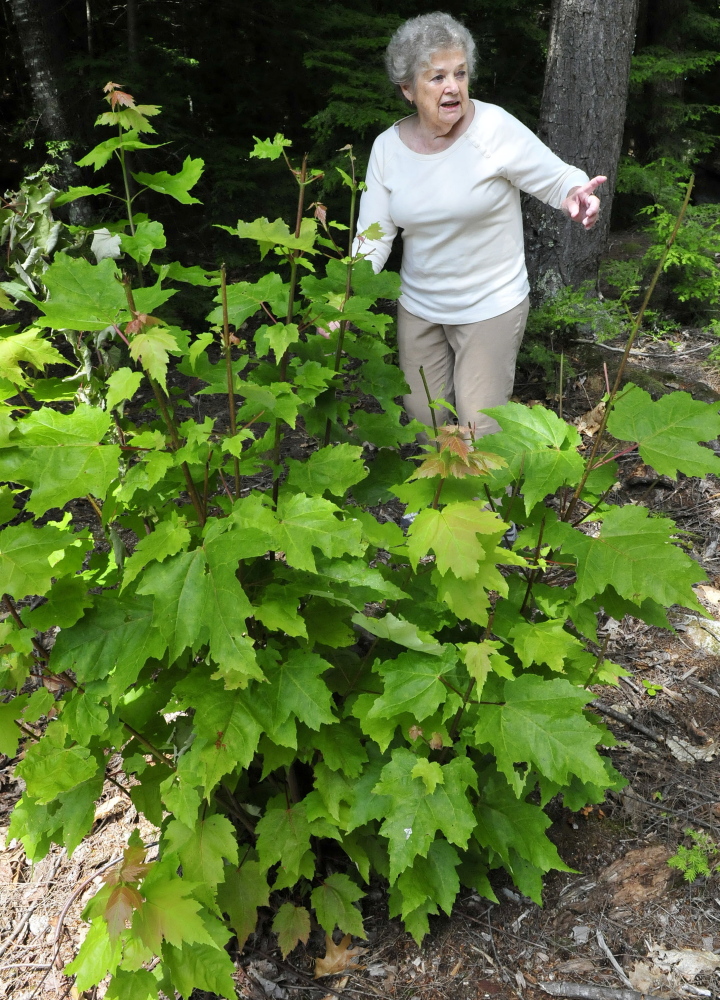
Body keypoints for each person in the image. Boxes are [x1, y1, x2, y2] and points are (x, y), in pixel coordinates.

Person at [354, 11, 605, 440]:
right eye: (436, 77)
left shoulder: (493, 127)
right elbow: (373, 238)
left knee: (480, 427)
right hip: (420, 306)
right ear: (407, 90)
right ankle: (433, 505)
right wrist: (346, 296)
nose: (452, 86)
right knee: (423, 417)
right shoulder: (387, 149)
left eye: (460, 73)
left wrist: (577, 195)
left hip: (491, 303)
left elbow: (558, 178)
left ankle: (480, 507)